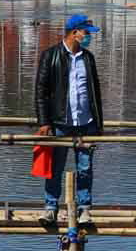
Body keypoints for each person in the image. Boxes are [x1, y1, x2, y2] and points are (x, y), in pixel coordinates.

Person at [33, 14, 103, 231]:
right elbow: (40, 91)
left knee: (85, 167)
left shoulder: (88, 59)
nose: (89, 37)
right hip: (61, 123)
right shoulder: (51, 56)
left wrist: (99, 123)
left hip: (86, 123)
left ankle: (84, 209)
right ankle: (51, 207)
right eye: (86, 33)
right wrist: (44, 122)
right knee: (55, 167)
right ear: (75, 33)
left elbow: (95, 92)